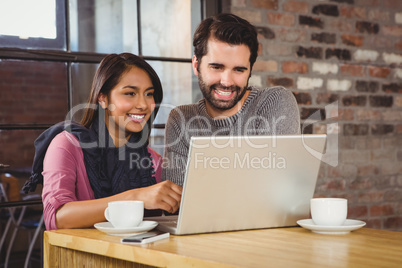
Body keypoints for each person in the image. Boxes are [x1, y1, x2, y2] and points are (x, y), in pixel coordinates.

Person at [23, 53, 182, 230]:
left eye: (149, 94)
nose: (143, 105)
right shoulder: (66, 146)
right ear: (103, 98)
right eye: (130, 93)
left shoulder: (152, 161)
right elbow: (57, 218)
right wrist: (135, 197)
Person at [162, 13, 300, 186]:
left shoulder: (275, 102)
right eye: (216, 67)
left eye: (239, 70)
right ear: (196, 65)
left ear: (250, 70)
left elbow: (277, 190)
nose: (227, 82)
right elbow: (177, 204)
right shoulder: (181, 119)